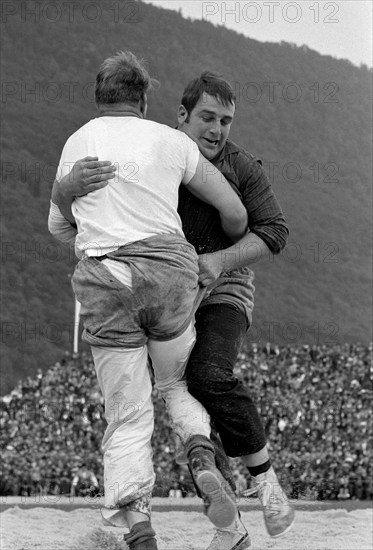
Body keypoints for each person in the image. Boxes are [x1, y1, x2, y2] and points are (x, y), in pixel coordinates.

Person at [52, 71, 295, 550]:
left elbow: (274, 231)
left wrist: (219, 260)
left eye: (226, 120)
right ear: (180, 116)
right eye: (207, 117)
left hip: (223, 288)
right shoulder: (161, 152)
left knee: (203, 378)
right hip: (174, 288)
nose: (217, 129)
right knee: (182, 388)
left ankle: (267, 485)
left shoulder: (243, 167)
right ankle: (228, 523)